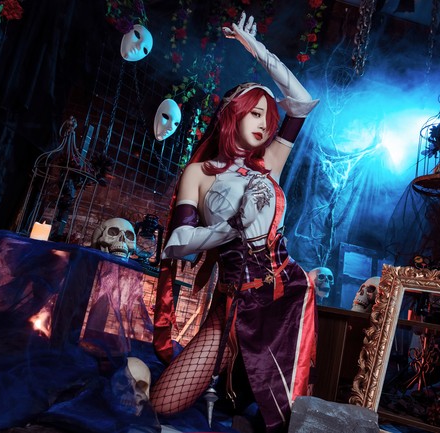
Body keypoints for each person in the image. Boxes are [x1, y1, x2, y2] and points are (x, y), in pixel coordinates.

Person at [149, 12, 319, 433]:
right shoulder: (200, 173)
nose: (264, 123)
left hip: (283, 299)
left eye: (268, 117)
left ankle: (252, 407)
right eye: (255, 113)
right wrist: (231, 227)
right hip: (233, 303)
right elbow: (178, 242)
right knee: (163, 404)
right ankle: (239, 392)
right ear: (233, 115)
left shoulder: (269, 164)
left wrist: (256, 49)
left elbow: (301, 102)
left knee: (285, 416)